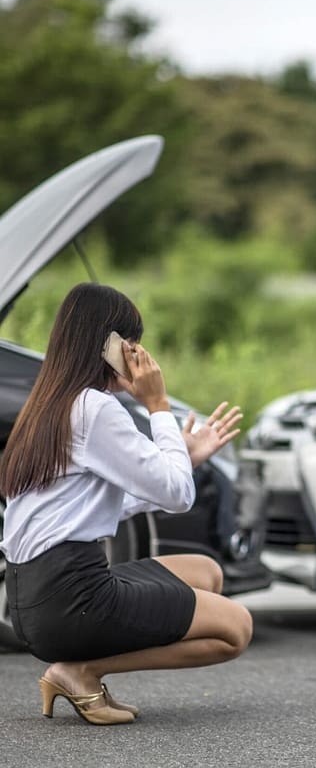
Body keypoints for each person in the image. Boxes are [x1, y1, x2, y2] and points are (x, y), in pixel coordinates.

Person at [0, 283, 252, 725]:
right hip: (71, 599)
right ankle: (81, 670)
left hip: (35, 598)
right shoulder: (95, 408)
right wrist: (158, 406)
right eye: (130, 342)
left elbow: (102, 505)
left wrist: (185, 456)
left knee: (206, 572)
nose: (138, 354)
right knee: (236, 628)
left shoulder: (50, 404)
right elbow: (177, 496)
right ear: (108, 345)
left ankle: (76, 668)